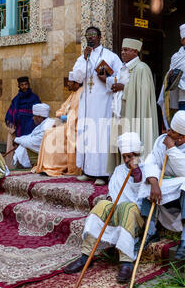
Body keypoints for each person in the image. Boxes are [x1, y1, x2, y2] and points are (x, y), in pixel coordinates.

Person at [63, 132, 146, 283]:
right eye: (124, 156)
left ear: (138, 153)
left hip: (136, 217)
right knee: (102, 204)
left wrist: (137, 174)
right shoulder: (119, 170)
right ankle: (85, 257)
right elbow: (112, 193)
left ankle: (126, 262)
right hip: (116, 213)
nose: (127, 160)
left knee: (127, 208)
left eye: (130, 156)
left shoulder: (147, 168)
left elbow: (144, 195)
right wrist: (109, 200)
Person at [137, 110, 185, 260]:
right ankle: (150, 232)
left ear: (182, 137)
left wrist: (171, 149)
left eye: (172, 131)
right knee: (147, 183)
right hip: (167, 186)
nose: (167, 132)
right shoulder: (162, 141)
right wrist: (154, 182)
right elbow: (151, 161)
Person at [73, 26, 122, 186]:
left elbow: (121, 78)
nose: (90, 37)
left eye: (93, 35)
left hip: (103, 103)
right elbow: (78, 78)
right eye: (88, 35)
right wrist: (84, 58)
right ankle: (87, 170)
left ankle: (103, 173)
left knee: (101, 135)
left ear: (100, 37)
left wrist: (107, 79)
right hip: (87, 103)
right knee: (87, 135)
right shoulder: (83, 57)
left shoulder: (110, 56)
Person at [106, 38, 159, 174]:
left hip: (134, 112)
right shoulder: (123, 68)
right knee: (120, 142)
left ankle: (136, 172)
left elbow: (143, 94)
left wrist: (124, 87)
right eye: (122, 50)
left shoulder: (142, 68)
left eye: (126, 50)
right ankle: (120, 172)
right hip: (120, 112)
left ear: (135, 51)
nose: (122, 53)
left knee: (132, 142)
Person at [32, 71, 83, 176]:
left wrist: (64, 118)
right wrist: (59, 116)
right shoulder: (73, 94)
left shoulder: (81, 94)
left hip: (74, 126)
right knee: (48, 132)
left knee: (53, 135)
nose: (67, 83)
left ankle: (55, 166)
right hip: (66, 124)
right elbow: (63, 107)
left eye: (70, 82)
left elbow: (78, 116)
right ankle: (46, 165)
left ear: (77, 84)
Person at [4, 77, 41, 167]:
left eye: (26, 84)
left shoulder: (34, 98)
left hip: (31, 128)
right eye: (22, 85)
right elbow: (10, 115)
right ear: (19, 86)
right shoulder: (16, 100)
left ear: (28, 85)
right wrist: (13, 130)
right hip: (18, 129)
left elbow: (39, 113)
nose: (24, 87)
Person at [12, 103, 55, 169]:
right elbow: (30, 136)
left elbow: (31, 142)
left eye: (34, 116)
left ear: (39, 117)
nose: (32, 118)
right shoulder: (44, 124)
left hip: (47, 156)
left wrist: (16, 140)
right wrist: (17, 139)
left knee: (24, 145)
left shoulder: (46, 127)